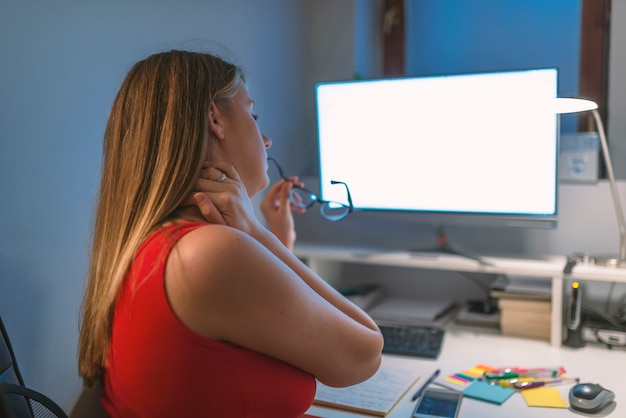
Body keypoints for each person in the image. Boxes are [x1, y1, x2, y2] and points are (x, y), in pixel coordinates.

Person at [78, 50, 383, 418]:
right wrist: (255, 231)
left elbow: (240, 328)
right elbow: (366, 353)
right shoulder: (209, 254)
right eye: (252, 114)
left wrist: (276, 239)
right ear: (214, 119)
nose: (266, 139)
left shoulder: (157, 243)